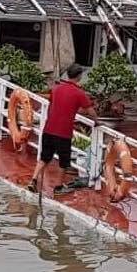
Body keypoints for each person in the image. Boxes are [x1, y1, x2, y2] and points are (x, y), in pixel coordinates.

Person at [30, 64, 93, 195]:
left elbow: (51, 101)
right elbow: (91, 111)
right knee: (64, 162)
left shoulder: (56, 89)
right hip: (63, 133)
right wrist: (97, 121)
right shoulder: (79, 93)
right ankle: (58, 188)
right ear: (79, 76)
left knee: (44, 157)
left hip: (48, 129)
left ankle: (33, 180)